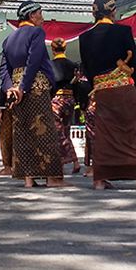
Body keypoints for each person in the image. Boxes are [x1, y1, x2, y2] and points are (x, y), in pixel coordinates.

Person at [79, 0, 136, 190]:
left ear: (94, 12)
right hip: (123, 87)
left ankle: (99, 179)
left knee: (104, 133)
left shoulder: (84, 37)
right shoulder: (123, 31)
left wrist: (97, 84)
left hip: (101, 89)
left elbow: (87, 68)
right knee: (134, 130)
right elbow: (135, 65)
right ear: (113, 11)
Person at [0, 1, 64, 188]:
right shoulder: (36, 33)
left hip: (16, 88)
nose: (42, 18)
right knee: (44, 130)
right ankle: (52, 178)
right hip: (35, 85)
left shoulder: (8, 39)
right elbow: (34, 60)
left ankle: (28, 178)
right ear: (32, 16)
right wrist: (23, 86)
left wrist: (11, 88)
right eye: (40, 13)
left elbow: (4, 69)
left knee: (22, 131)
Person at [50, 37, 81, 174]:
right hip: (70, 99)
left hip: (56, 99)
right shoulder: (73, 65)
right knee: (66, 130)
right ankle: (74, 163)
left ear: (52, 49)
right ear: (65, 48)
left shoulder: (50, 65)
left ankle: (67, 161)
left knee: (58, 132)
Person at [0, 88, 13, 176]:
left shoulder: (7, 78)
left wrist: (0, 109)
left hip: (8, 107)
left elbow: (4, 88)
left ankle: (8, 167)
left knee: (6, 138)